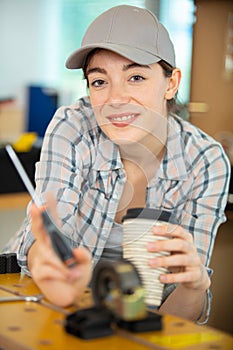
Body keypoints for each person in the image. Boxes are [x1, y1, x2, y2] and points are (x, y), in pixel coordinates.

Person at [3, 5, 230, 323]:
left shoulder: (205, 161)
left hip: (136, 319)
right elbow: (47, 236)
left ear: (171, 83)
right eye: (99, 82)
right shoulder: (73, 126)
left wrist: (195, 286)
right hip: (33, 297)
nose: (115, 98)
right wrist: (50, 262)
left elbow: (178, 316)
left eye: (136, 76)